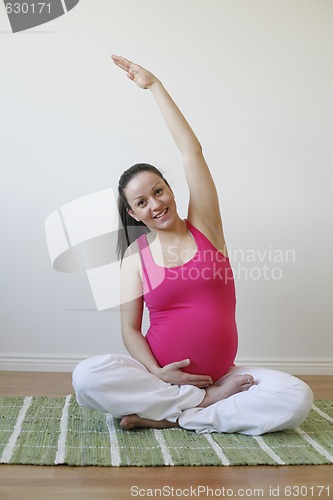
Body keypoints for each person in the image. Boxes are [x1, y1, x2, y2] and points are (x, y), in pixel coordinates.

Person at [72, 55, 313, 435]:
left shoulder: (206, 228)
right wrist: (155, 373)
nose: (155, 204)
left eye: (158, 190)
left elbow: (191, 152)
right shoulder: (135, 258)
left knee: (296, 397)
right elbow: (131, 330)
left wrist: (155, 87)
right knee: (86, 377)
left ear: (170, 189)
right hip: (161, 379)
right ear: (134, 215)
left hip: (224, 374)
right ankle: (203, 404)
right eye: (142, 202)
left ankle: (180, 412)